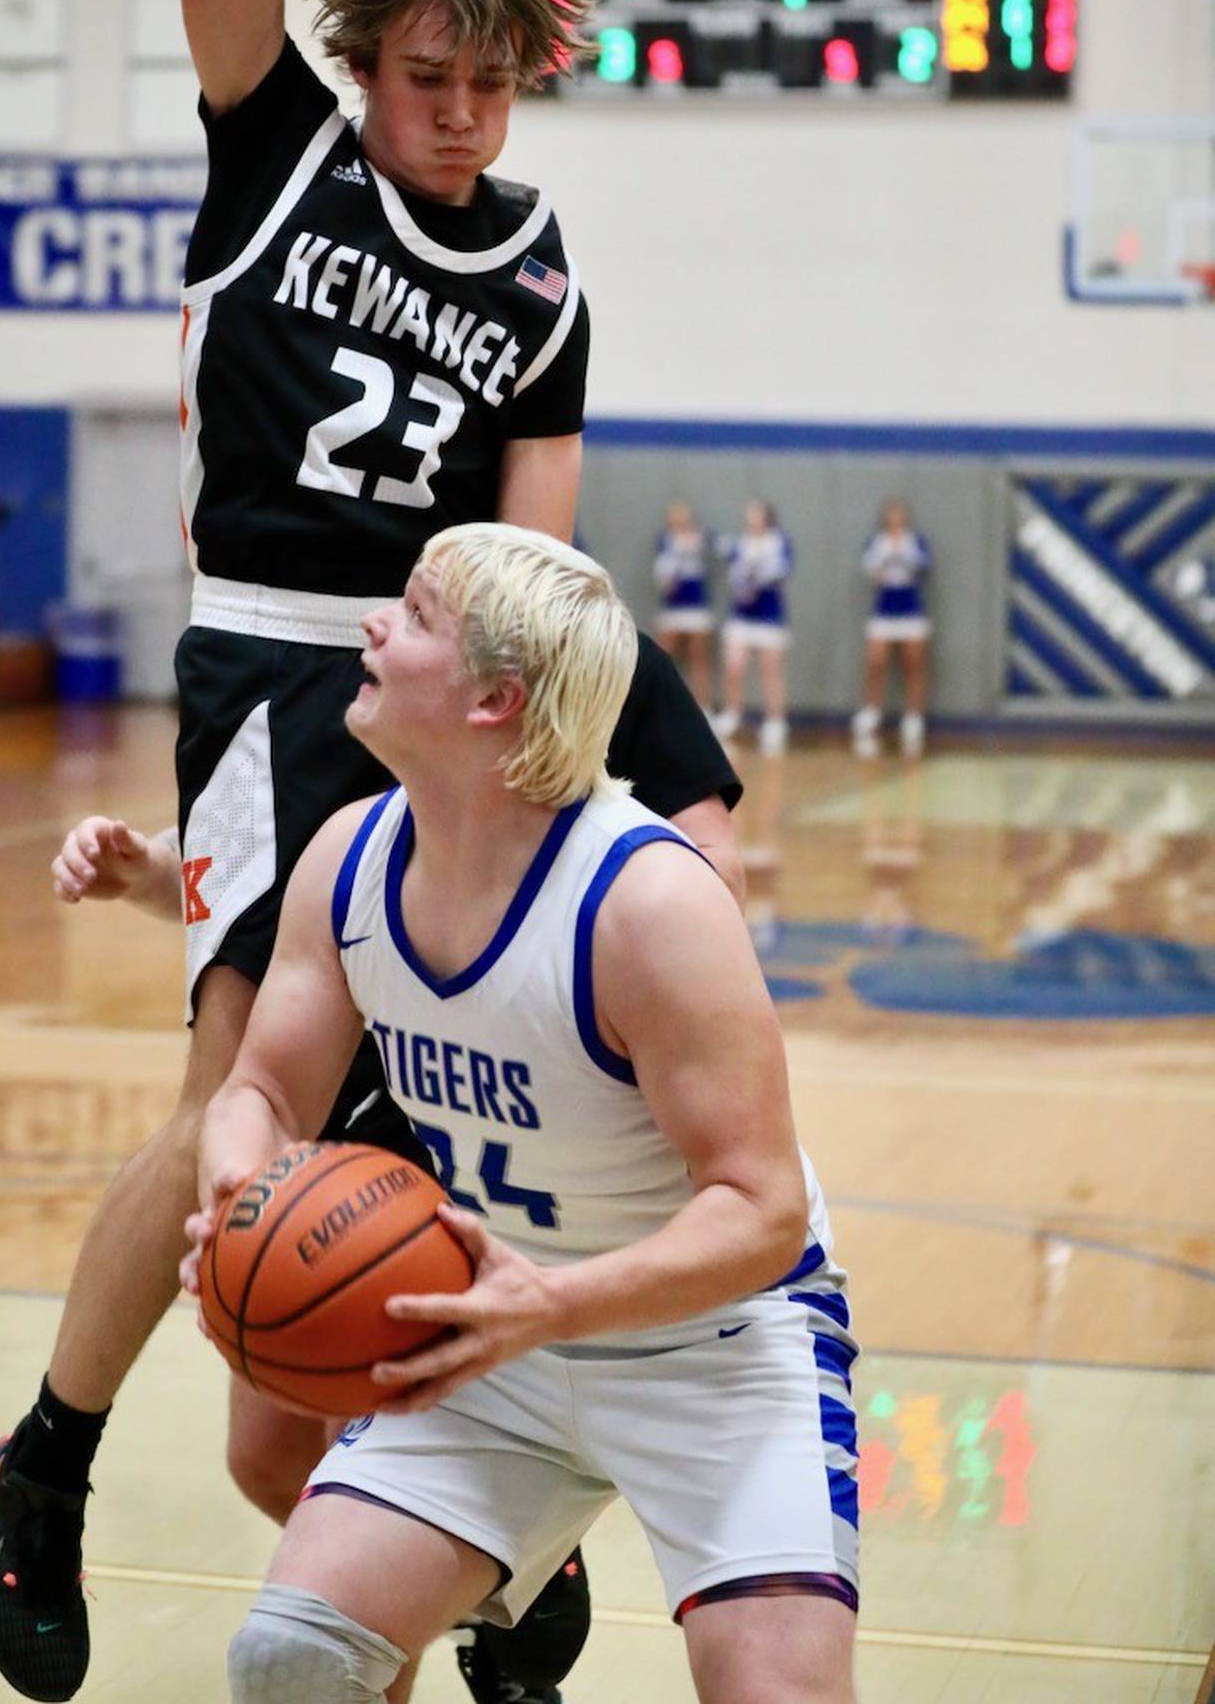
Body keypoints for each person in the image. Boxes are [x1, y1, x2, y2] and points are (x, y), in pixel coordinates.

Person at [0, 0, 614, 1704]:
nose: (458, 117)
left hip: (450, 693)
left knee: (440, 1141)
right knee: (232, 1068)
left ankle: (479, 1540)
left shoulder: (540, 279)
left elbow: (537, 564)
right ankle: (48, 1461)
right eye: (429, 80)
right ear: (367, 67)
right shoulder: (278, 147)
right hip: (269, 666)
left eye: (490, 88)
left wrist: (519, 768)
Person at [181, 525, 859, 1704]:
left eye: (417, 614)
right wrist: (243, 1199)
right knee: (293, 1661)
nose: (374, 625)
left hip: (717, 1349)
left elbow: (761, 1208)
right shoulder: (348, 859)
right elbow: (263, 1090)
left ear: (495, 698)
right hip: (490, 1343)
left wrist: (546, 1304)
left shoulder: (648, 902)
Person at [49, 626, 744, 1704]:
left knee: (367, 1456)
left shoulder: (584, 647)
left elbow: (711, 867)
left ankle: (466, 1572)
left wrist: (582, 950)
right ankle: (501, 1567)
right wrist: (154, 870)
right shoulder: (351, 673)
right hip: (353, 1074)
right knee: (268, 1451)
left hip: (517, 1121)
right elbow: (258, 869)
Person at [850, 499, 932, 759]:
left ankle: (913, 716)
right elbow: (872, 571)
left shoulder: (915, 541)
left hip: (910, 609)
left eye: (899, 514)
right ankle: (872, 712)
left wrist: (903, 555)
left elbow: (922, 566)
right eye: (891, 515)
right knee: (876, 661)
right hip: (884, 610)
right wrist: (886, 559)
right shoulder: (877, 542)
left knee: (913, 663)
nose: (895, 519)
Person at [715, 500, 793, 756]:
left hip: (769, 616)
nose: (752, 520)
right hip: (741, 616)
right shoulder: (740, 543)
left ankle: (775, 722)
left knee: (770, 670)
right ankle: (733, 714)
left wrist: (755, 573)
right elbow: (733, 573)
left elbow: (779, 572)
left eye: (757, 515)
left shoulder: (779, 543)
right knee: (734, 666)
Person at [653, 500, 714, 715]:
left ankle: (703, 709)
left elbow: (713, 545)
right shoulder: (665, 540)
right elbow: (663, 578)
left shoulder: (701, 537)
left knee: (699, 657)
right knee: (662, 656)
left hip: (696, 605)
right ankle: (657, 707)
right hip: (672, 607)